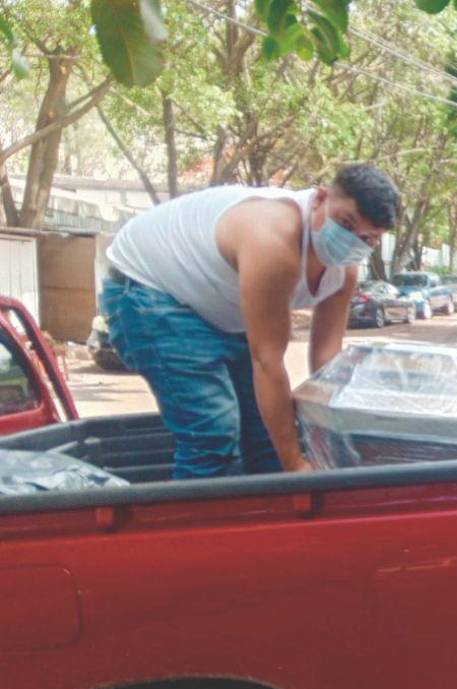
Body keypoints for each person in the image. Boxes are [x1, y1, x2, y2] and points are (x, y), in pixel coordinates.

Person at [101, 164, 400, 478]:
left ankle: (270, 522)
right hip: (151, 292)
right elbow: (267, 361)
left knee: (268, 434)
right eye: (345, 223)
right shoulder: (274, 240)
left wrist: (337, 433)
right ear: (321, 198)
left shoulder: (344, 269)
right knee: (211, 433)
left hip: (219, 304)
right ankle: (191, 526)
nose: (351, 240)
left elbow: (327, 361)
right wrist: (296, 465)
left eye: (367, 238)